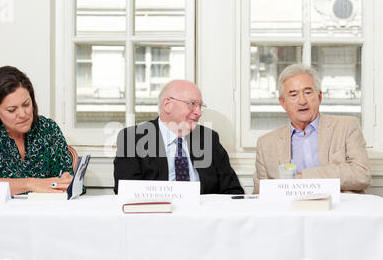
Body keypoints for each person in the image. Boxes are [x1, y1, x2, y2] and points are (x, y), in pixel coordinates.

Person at [253, 64, 371, 193]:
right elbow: (260, 194)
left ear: (319, 97)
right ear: (283, 103)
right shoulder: (265, 144)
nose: (302, 101)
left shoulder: (346, 127)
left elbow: (361, 175)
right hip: (290, 211)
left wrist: (302, 178)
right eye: (293, 95)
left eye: (308, 92)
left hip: (338, 209)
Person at [113, 79, 244, 195]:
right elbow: (126, 191)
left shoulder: (209, 139)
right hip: (156, 218)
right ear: (167, 105)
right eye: (192, 104)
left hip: (202, 217)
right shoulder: (133, 139)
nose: (198, 112)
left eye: (200, 106)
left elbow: (233, 190)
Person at [0, 66, 75, 195]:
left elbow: (66, 176)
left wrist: (67, 180)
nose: (23, 114)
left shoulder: (48, 128)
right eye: (12, 110)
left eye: (26, 104)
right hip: (2, 213)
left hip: (47, 209)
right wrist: (30, 184)